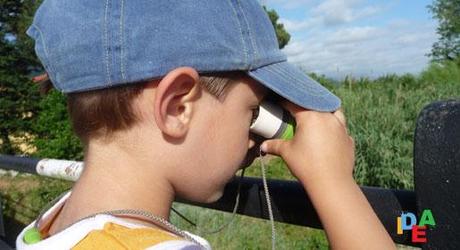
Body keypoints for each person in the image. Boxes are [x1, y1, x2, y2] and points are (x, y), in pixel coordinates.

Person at [17, 0, 395, 249]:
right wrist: (334, 184)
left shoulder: (54, 223)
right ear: (178, 106)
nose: (257, 142)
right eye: (253, 111)